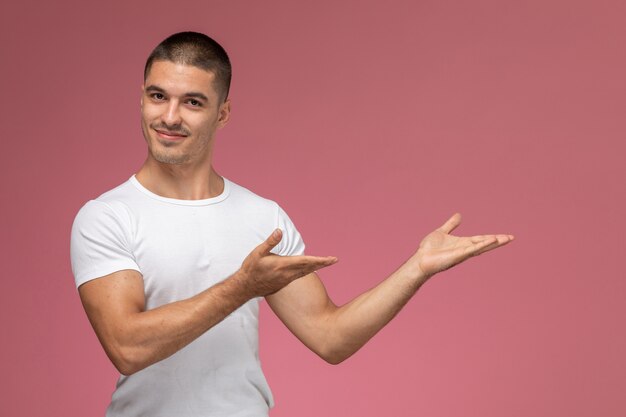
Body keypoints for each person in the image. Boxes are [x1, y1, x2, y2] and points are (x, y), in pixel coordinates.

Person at [70, 31, 514, 417]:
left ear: (222, 114)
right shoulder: (108, 216)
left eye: (193, 102)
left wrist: (415, 269)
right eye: (157, 96)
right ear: (142, 97)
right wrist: (243, 286)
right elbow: (127, 347)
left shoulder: (262, 217)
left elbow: (330, 337)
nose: (169, 117)